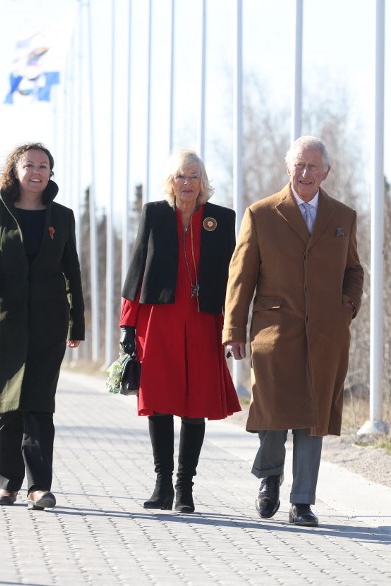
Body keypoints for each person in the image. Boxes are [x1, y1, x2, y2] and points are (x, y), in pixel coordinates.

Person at [224, 136, 364, 528]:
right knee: (271, 412)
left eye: (313, 167)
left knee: (312, 417)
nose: (305, 173)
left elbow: (354, 271)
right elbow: (241, 277)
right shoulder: (261, 214)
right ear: (288, 168)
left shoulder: (342, 216)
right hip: (274, 333)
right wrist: (233, 329)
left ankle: (302, 501)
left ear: (326, 172)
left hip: (325, 335)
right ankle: (270, 478)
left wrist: (347, 306)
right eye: (299, 166)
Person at [120, 150, 241, 513]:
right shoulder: (155, 214)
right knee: (158, 400)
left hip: (205, 322)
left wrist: (233, 326)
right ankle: (161, 485)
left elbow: (234, 279)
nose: (187, 183)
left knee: (195, 404)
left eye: (194, 176)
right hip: (158, 321)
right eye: (180, 176)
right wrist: (128, 323)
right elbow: (138, 267)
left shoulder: (222, 218)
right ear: (170, 182)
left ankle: (184, 488)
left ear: (203, 182)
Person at [0, 142, 85, 510]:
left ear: (51, 172)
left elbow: (72, 272)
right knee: (6, 407)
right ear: (14, 171)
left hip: (49, 324)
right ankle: (8, 484)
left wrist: (76, 322)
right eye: (29, 165)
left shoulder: (62, 217)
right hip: (3, 323)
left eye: (43, 166)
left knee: (38, 406)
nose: (36, 172)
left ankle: (39, 487)